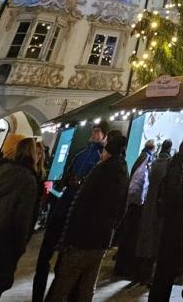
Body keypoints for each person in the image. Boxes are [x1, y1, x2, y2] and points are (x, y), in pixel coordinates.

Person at [46, 133, 129, 302]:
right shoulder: (122, 172)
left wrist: (70, 237)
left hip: (83, 238)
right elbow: (121, 209)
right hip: (102, 239)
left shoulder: (101, 171)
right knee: (87, 286)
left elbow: (82, 205)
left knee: (64, 284)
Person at [32, 123, 108, 302]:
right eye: (94, 132)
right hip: (64, 210)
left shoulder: (97, 158)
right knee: (46, 258)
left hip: (73, 214)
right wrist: (69, 180)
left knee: (63, 264)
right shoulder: (84, 155)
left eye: (98, 132)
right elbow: (66, 176)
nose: (95, 135)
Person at [0, 137, 39, 301]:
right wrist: (20, 246)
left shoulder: (1, 171)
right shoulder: (29, 180)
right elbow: (22, 219)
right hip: (5, 242)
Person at [149, 138, 183, 302]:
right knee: (166, 265)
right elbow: (174, 195)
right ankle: (159, 296)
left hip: (174, 224)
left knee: (168, 266)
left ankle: (161, 295)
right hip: (172, 224)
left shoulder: (181, 166)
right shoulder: (177, 168)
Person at [114, 139, 156, 278]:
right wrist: (139, 200)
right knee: (131, 234)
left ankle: (123, 265)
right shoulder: (146, 159)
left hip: (134, 203)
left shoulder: (142, 157)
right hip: (136, 204)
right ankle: (125, 267)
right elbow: (139, 182)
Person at [135, 139, 173, 285]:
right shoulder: (168, 165)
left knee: (146, 238)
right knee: (155, 239)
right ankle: (149, 274)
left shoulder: (154, 163)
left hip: (150, 203)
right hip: (159, 206)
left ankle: (140, 273)